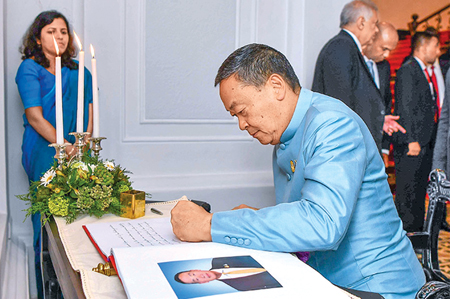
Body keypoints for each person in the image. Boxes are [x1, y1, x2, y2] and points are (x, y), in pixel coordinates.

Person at [171, 43, 425, 299]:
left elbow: (321, 224)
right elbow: (308, 212)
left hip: (373, 286)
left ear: (276, 86)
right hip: (325, 279)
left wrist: (210, 224)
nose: (241, 124)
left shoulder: (331, 124)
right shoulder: (285, 135)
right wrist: (256, 216)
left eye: (242, 111)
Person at [16, 10, 93, 298]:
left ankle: (76, 286)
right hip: (42, 150)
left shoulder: (79, 70)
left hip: (77, 150)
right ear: (38, 37)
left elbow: (88, 115)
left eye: (63, 31)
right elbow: (35, 117)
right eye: (51, 31)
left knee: (78, 212)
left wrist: (81, 146)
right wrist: (66, 146)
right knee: (46, 218)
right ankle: (45, 287)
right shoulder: (29, 69)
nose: (59, 36)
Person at [312, 0, 404, 153]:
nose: (376, 30)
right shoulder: (341, 47)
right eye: (374, 24)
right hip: (344, 148)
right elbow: (341, 107)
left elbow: (358, 100)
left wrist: (378, 119)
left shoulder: (347, 47)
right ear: (361, 22)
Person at [392, 29, 441, 233]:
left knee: (419, 192)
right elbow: (404, 107)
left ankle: (417, 235)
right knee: (408, 194)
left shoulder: (422, 70)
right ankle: (406, 237)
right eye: (435, 46)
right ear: (423, 47)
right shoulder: (408, 70)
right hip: (412, 145)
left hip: (424, 143)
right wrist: (411, 139)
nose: (438, 51)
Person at [362, 22, 403, 167]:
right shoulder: (355, 64)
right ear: (371, 39)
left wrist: (384, 148)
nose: (387, 55)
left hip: (376, 145)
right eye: (384, 49)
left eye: (390, 50)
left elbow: (385, 106)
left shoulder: (384, 66)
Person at [174, 256, 281, 291]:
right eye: (196, 280)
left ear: (196, 270)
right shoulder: (240, 287)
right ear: (203, 282)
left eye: (193, 274)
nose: (199, 276)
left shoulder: (219, 259)